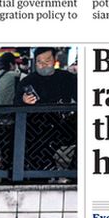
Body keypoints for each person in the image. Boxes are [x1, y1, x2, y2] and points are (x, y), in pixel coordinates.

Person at [15, 47, 77, 175]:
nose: (43, 65)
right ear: (35, 62)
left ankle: (73, 172)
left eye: (47, 60)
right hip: (37, 128)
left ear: (54, 60)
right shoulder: (28, 80)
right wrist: (24, 100)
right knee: (35, 151)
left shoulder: (67, 78)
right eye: (39, 62)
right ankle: (40, 175)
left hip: (63, 125)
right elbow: (16, 102)